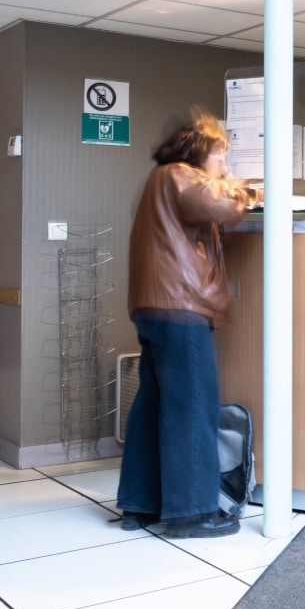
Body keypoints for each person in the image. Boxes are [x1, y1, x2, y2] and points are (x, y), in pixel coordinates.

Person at [116, 109, 258, 538]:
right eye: (221, 154)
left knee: (154, 405)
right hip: (181, 307)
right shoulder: (180, 176)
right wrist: (249, 191)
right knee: (193, 407)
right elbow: (222, 203)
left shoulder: (161, 181)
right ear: (200, 150)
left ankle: (140, 504)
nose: (225, 165)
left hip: (155, 307)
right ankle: (192, 513)